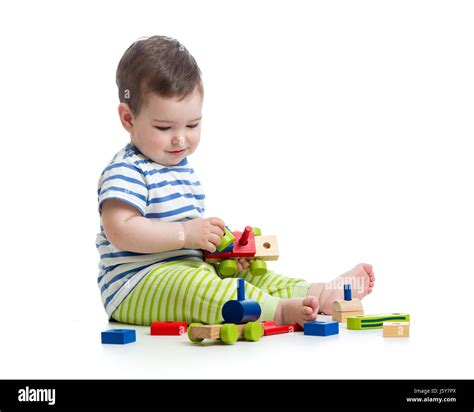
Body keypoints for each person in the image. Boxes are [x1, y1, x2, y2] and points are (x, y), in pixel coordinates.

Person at [96, 35, 375, 327]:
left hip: (186, 270)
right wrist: (186, 234)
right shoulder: (126, 170)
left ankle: (318, 294)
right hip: (134, 286)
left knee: (248, 275)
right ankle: (277, 311)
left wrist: (218, 250)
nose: (180, 138)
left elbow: (186, 243)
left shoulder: (180, 170)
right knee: (198, 285)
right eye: (164, 127)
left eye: (192, 124)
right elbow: (121, 231)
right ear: (128, 119)